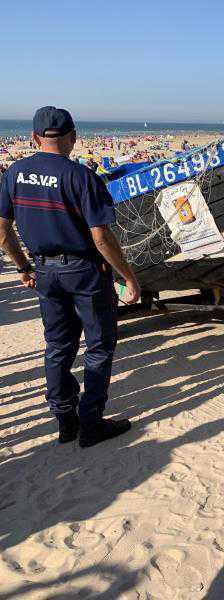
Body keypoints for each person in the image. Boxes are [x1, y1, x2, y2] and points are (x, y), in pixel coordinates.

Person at [0, 106, 140, 448]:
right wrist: (129, 277)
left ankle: (65, 421)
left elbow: (3, 230)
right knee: (98, 345)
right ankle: (90, 423)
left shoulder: (15, 173)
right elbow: (101, 238)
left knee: (58, 347)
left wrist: (23, 267)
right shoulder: (81, 176)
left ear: (34, 138)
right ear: (73, 137)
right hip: (84, 271)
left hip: (45, 271)